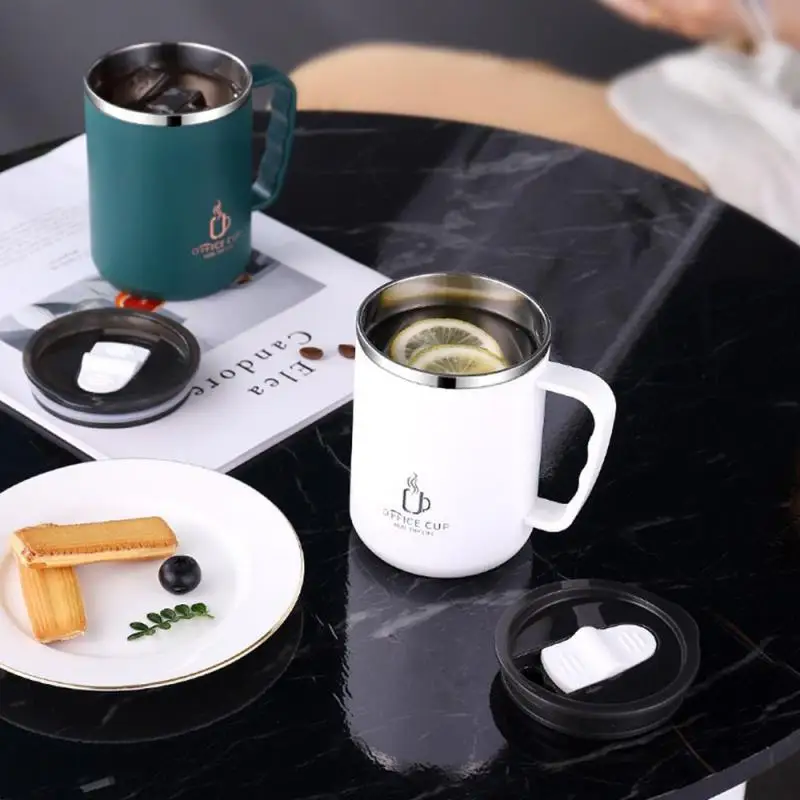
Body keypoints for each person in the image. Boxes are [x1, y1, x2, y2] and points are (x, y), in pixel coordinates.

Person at [291, 0, 800, 192]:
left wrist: (767, 14)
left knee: (340, 104)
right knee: (333, 104)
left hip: (765, 152)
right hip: (740, 85)